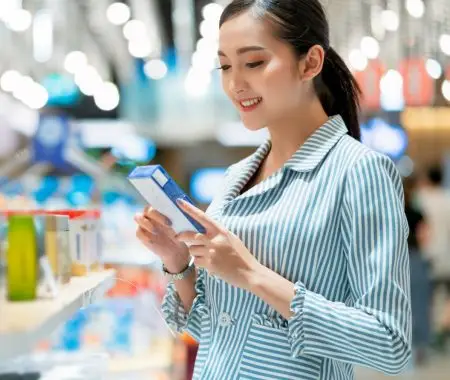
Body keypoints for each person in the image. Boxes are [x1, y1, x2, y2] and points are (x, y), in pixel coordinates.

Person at [134, 0, 411, 378]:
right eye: (226, 66)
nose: (235, 84)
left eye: (254, 63)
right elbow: (215, 328)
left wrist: (252, 274)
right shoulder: (236, 177)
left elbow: (389, 342)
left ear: (310, 63)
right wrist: (178, 262)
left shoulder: (359, 171)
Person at [416, 165, 450, 350]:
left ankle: (426, 335)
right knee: (447, 297)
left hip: (425, 256)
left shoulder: (420, 199)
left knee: (425, 298)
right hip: (446, 255)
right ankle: (443, 327)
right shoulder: (447, 198)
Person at [404, 177, 432, 365]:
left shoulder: (392, 210)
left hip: (396, 261)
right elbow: (425, 235)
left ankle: (402, 344)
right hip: (414, 258)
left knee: (401, 304)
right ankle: (420, 346)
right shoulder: (416, 212)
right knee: (420, 303)